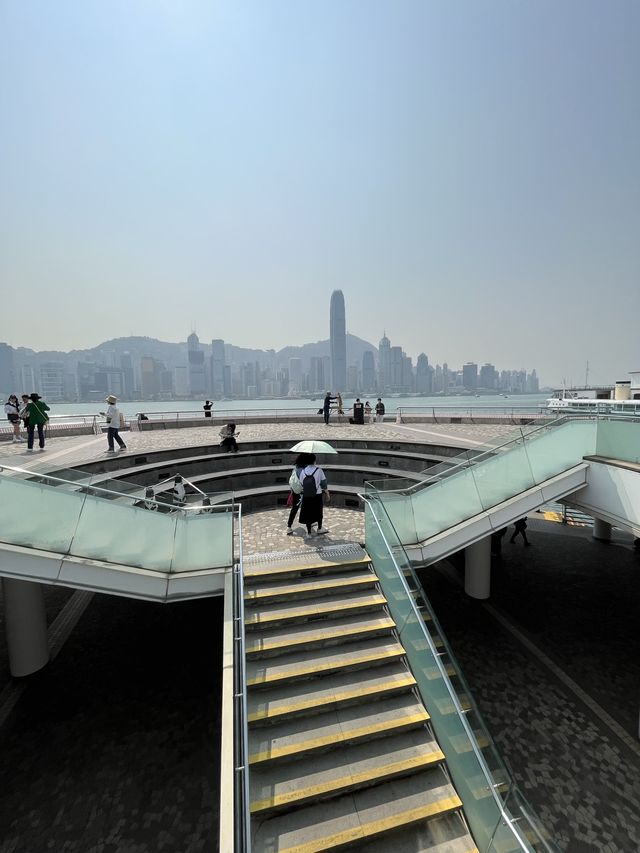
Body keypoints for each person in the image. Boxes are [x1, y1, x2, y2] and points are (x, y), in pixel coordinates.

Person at [298, 453, 330, 539]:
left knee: (308, 513)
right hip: (317, 494)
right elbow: (324, 483)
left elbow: (301, 483)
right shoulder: (319, 470)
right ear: (314, 461)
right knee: (318, 511)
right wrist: (327, 493)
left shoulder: (303, 471)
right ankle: (319, 528)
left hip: (307, 495)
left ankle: (308, 533)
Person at [286, 452, 309, 535]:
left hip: (296, 491)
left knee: (294, 509)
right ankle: (310, 524)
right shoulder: (306, 469)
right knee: (307, 508)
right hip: (303, 491)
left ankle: (289, 526)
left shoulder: (296, 467)